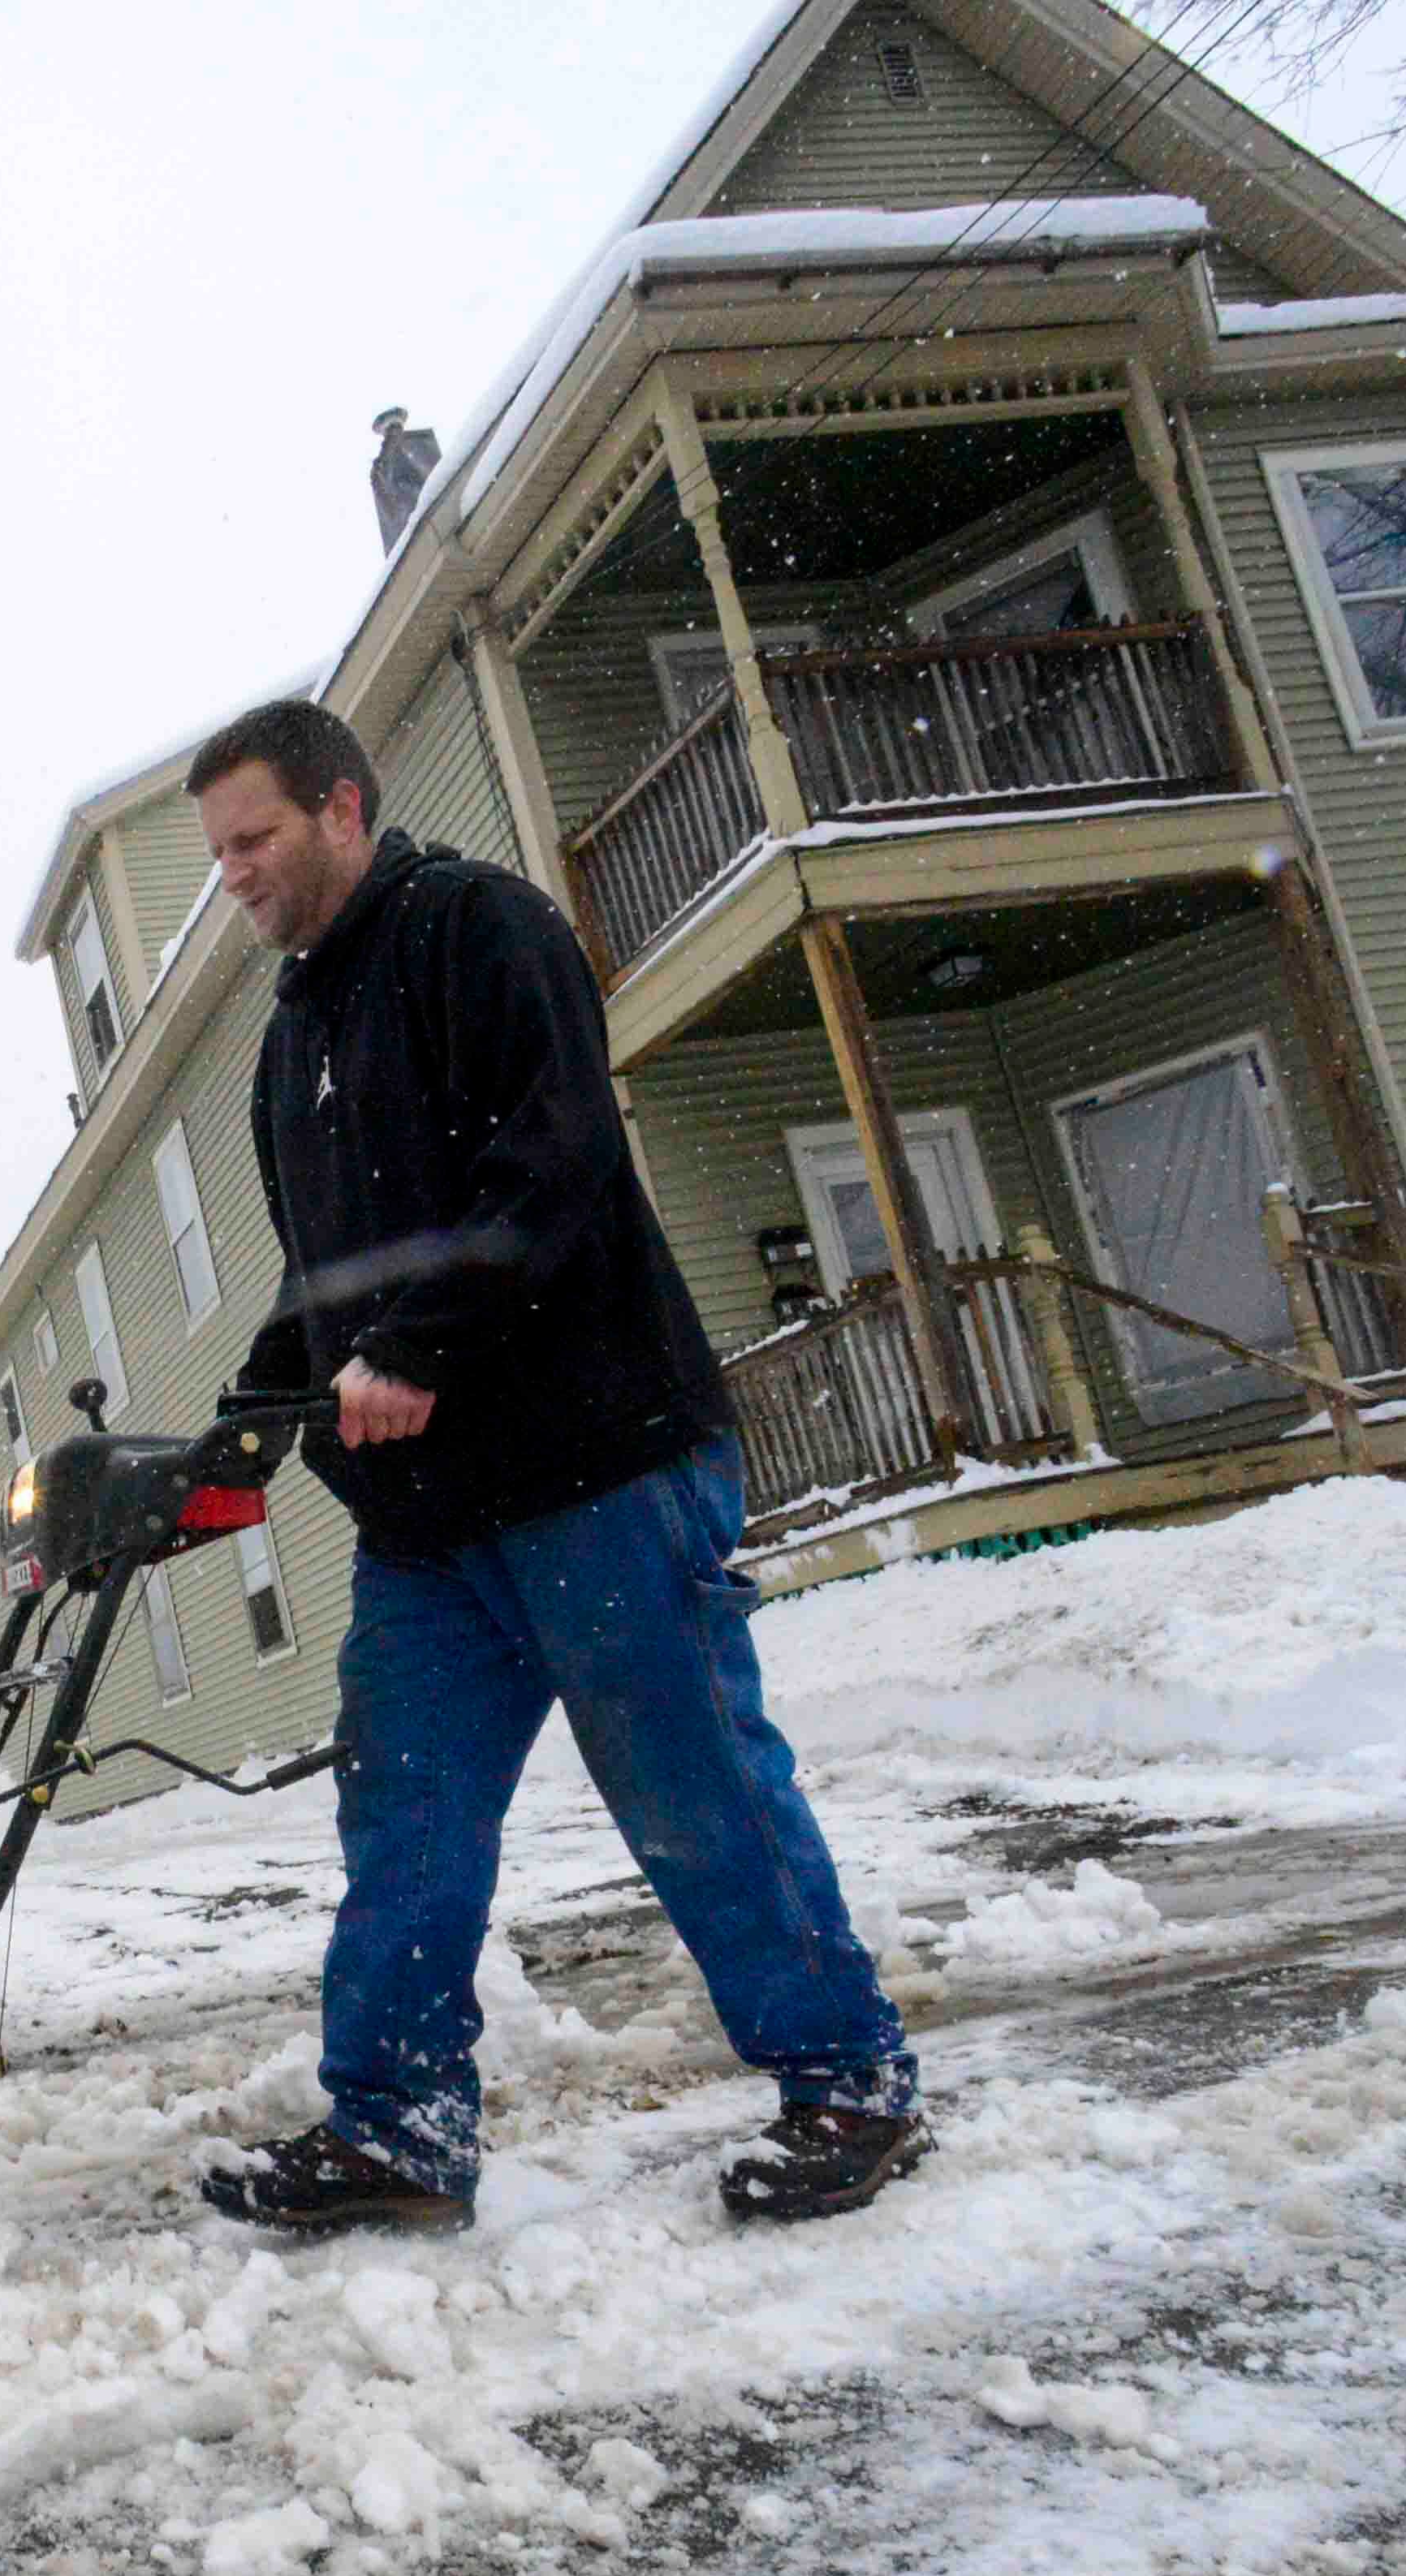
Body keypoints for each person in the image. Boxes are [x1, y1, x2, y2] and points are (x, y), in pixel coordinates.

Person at [185, 696, 922, 2235]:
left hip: (594, 1467)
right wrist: (242, 1423)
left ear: (340, 809)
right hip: (429, 1526)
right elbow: (330, 1279)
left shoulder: (482, 932)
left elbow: (559, 1160)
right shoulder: (291, 1042)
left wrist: (426, 1346)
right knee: (407, 1822)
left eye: (253, 839)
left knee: (694, 1791)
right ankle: (400, 2129)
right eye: (219, 854)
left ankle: (847, 2081)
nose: (235, 874)